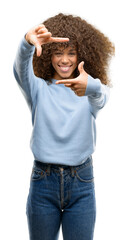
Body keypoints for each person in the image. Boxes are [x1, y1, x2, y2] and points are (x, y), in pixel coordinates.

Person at [13, 13, 115, 240]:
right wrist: (27, 44)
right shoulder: (38, 89)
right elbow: (20, 70)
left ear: (82, 55)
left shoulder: (87, 91)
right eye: (58, 53)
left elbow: (103, 96)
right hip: (43, 182)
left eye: (71, 53)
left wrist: (91, 86)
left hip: (81, 182)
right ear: (48, 55)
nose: (65, 60)